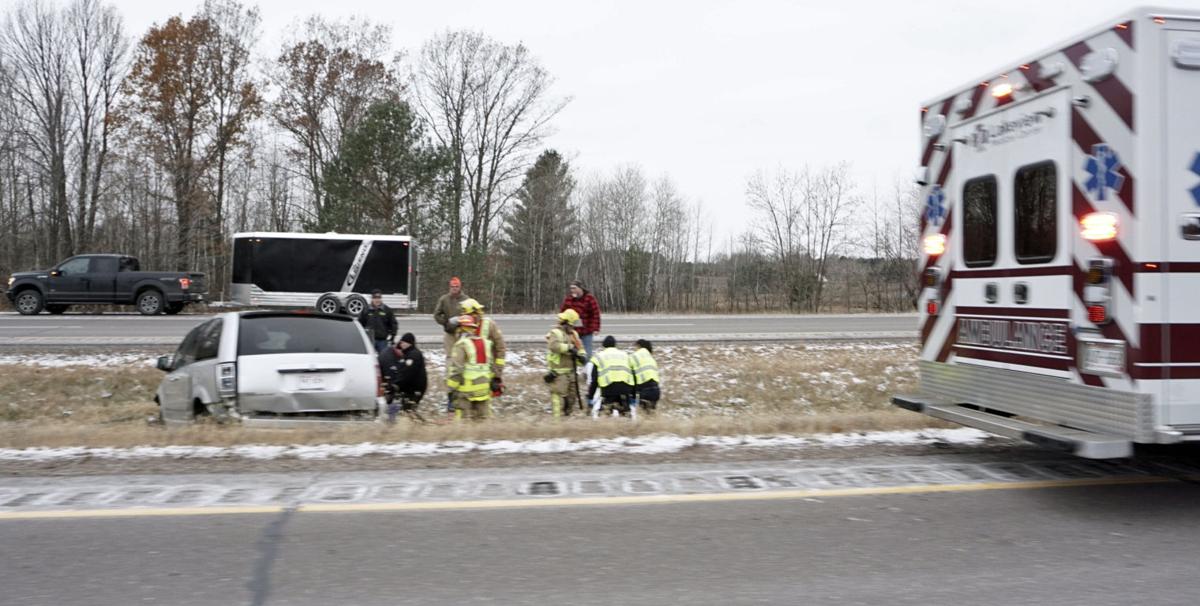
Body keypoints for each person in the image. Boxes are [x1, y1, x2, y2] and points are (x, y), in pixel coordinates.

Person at [446, 314, 494, 421]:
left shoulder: (461, 345)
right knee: (483, 421)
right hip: (484, 390)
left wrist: (451, 389)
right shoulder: (485, 343)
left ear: (460, 329)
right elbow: (491, 366)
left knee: (464, 422)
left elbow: (457, 369)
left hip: (466, 391)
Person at [545, 309, 587, 417]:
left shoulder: (574, 334)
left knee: (571, 399)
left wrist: (581, 356)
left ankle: (566, 419)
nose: (574, 327)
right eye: (573, 324)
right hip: (558, 373)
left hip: (571, 373)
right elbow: (553, 346)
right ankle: (557, 423)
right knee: (558, 399)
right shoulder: (555, 333)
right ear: (566, 322)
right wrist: (569, 348)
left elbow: (580, 348)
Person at [378, 332, 427, 423]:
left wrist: (396, 385)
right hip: (409, 388)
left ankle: (420, 425)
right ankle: (415, 424)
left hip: (414, 389)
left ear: (410, 343)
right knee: (407, 409)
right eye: (401, 342)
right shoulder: (408, 354)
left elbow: (407, 374)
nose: (402, 344)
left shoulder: (413, 356)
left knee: (407, 409)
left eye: (404, 342)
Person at [458, 297, 507, 380]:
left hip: (488, 370)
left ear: (476, 313)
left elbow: (500, 347)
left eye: (468, 315)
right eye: (464, 315)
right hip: (469, 372)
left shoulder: (489, 325)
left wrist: (498, 372)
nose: (466, 318)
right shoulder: (464, 326)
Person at [587, 335, 635, 418]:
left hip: (608, 389)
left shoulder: (599, 356)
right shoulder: (625, 355)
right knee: (626, 417)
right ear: (615, 345)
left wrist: (590, 397)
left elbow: (594, 380)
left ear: (603, 345)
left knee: (604, 417)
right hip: (624, 389)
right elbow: (633, 375)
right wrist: (633, 395)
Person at [560, 280, 601, 360]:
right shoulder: (569, 299)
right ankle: (573, 371)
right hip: (572, 332)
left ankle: (587, 370)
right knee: (572, 353)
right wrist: (562, 325)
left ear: (580, 288)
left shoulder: (589, 298)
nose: (572, 290)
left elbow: (595, 314)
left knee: (587, 354)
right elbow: (563, 313)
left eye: (574, 288)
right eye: (571, 288)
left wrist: (596, 328)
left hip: (586, 331)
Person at [433, 277, 468, 355]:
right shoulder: (444, 299)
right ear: (450, 287)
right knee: (450, 356)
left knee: (461, 357)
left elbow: (472, 315)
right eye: (452, 286)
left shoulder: (466, 299)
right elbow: (436, 315)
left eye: (456, 286)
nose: (454, 288)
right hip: (449, 333)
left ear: (460, 287)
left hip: (462, 333)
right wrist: (446, 322)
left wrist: (462, 321)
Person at [630, 339, 661, 415]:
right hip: (656, 390)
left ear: (639, 346)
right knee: (651, 415)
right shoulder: (650, 358)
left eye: (635, 347)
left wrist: (632, 394)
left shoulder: (634, 356)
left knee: (644, 415)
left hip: (645, 390)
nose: (634, 349)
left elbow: (630, 375)